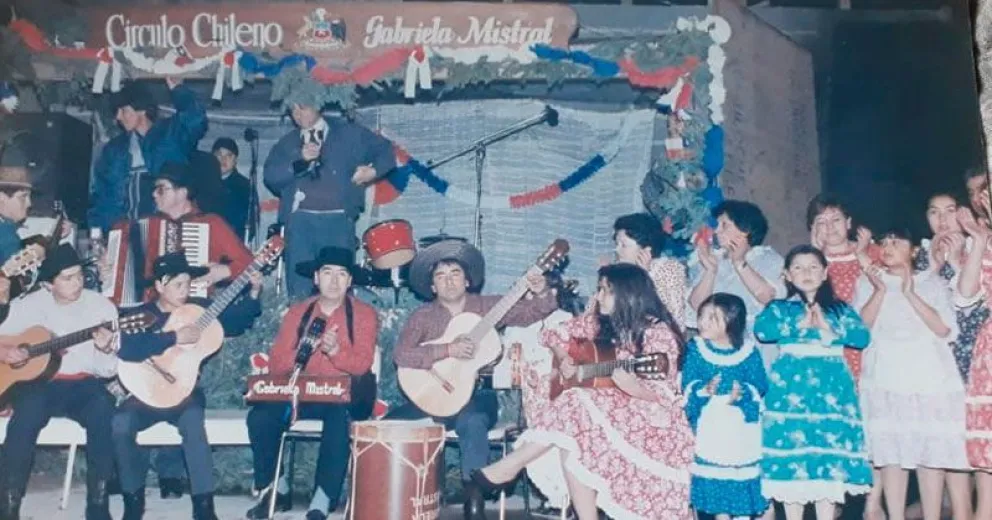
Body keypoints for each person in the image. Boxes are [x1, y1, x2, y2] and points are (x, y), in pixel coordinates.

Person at [471, 263, 694, 520]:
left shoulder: (657, 333)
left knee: (576, 405)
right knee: (575, 430)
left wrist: (634, 387)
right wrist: (563, 357)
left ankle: (509, 466)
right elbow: (553, 334)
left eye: (604, 290)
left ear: (627, 293)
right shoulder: (602, 323)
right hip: (609, 410)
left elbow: (665, 395)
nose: (597, 297)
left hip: (650, 421)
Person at [390, 238, 557, 519]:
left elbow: (532, 312)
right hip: (431, 398)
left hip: (477, 396)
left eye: (455, 274)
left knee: (473, 422)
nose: (449, 282)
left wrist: (541, 292)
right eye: (440, 277)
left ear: (467, 280)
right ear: (432, 286)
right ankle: (397, 499)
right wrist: (447, 349)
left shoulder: (488, 307)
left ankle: (474, 501)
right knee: (388, 426)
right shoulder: (422, 316)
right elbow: (402, 355)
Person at [110, 251, 262, 520]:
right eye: (177, 285)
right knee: (120, 424)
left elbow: (237, 322)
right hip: (145, 394)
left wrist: (254, 293)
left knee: (193, 424)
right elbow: (128, 350)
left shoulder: (198, 310)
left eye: (187, 284)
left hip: (185, 393)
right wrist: (172, 337)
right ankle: (132, 503)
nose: (184, 290)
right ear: (159, 286)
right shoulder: (142, 314)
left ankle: (204, 509)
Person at [245, 247, 377, 520]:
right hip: (299, 394)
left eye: (342, 274)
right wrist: (305, 349)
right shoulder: (298, 313)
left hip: (342, 396)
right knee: (260, 418)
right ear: (316, 278)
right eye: (327, 273)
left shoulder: (364, 314)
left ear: (350, 281)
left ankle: (322, 498)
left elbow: (363, 364)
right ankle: (275, 488)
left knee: (340, 421)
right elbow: (277, 363)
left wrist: (335, 351)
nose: (334, 280)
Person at [856, 227, 969, 520]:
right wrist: (881, 291)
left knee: (930, 454)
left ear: (914, 250)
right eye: (884, 242)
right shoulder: (869, 282)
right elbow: (859, 330)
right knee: (891, 454)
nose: (888, 246)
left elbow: (944, 329)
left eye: (897, 241)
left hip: (928, 379)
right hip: (885, 378)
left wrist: (909, 292)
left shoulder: (931, 282)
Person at [0, 244, 118, 520]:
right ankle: (8, 505)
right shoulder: (28, 305)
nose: (76, 282)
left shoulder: (101, 307)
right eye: (67, 278)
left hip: (83, 384)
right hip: (39, 384)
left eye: (79, 275)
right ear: (47, 284)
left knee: (104, 412)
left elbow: (108, 371)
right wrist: (7, 352)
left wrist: (104, 350)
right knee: (23, 422)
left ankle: (98, 505)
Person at [755, 245, 873, 520]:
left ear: (824, 273)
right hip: (790, 398)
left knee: (827, 470)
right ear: (786, 275)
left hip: (831, 396)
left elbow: (861, 337)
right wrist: (798, 326)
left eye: (813, 267)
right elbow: (762, 331)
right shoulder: (780, 308)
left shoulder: (840, 309)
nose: (806, 273)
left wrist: (828, 329)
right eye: (798, 267)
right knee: (792, 469)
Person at [263, 95, 395, 300]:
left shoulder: (349, 133)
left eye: (303, 107)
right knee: (299, 287)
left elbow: (386, 151)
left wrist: (373, 171)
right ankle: (300, 326)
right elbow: (271, 177)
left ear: (318, 105)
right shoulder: (286, 144)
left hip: (338, 220)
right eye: (293, 111)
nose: (298, 114)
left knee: (337, 284)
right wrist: (300, 160)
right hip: (300, 223)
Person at [682, 292, 768, 519]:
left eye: (713, 318)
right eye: (702, 316)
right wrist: (704, 389)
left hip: (739, 428)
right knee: (717, 488)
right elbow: (687, 382)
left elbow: (759, 385)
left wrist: (741, 395)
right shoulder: (696, 349)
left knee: (740, 482)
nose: (703, 322)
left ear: (731, 322)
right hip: (711, 425)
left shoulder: (748, 352)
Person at [88, 78, 207, 233]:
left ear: (142, 110)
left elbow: (195, 119)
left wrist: (179, 90)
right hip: (127, 233)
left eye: (124, 110)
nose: (118, 116)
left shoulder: (170, 134)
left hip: (167, 229)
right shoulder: (113, 149)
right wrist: (100, 234)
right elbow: (103, 197)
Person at [687, 199, 784, 370]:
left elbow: (767, 296)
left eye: (724, 225)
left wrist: (739, 262)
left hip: (756, 343)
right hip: (717, 342)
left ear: (744, 230)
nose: (717, 231)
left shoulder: (767, 258)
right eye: (717, 225)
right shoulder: (713, 259)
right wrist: (710, 270)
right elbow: (696, 304)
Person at [612, 212, 687, 328]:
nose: (616, 250)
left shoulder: (669, 268)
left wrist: (644, 278)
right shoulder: (620, 272)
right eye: (617, 244)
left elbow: (673, 318)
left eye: (623, 245)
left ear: (646, 250)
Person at [211, 138, 253, 239]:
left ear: (235, 161)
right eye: (219, 155)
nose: (223, 159)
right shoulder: (202, 182)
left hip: (232, 242)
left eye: (229, 155)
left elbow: (251, 225)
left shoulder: (245, 187)